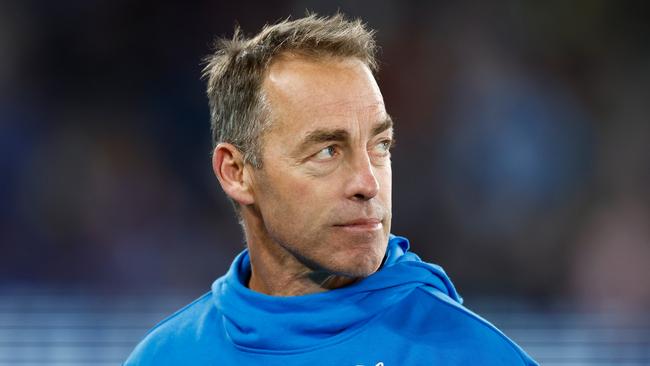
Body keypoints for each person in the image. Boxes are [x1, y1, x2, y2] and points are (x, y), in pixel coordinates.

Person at [125, 14, 538, 365]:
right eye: (327, 151)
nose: (367, 183)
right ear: (236, 172)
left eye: (380, 146)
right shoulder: (166, 357)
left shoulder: (467, 355)